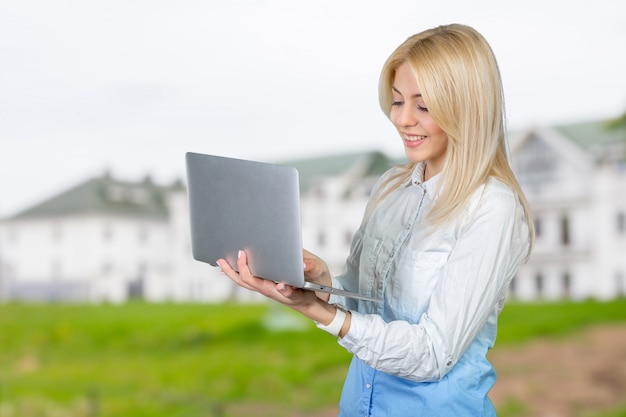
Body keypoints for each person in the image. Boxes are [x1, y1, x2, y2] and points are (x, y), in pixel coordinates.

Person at [217, 23, 534, 417]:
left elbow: (433, 353)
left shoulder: (493, 207)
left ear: (467, 108)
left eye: (424, 105)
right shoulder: (390, 187)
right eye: (398, 101)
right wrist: (321, 284)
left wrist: (319, 312)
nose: (402, 119)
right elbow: (368, 303)